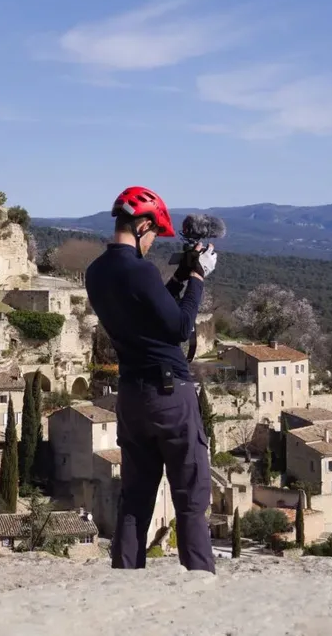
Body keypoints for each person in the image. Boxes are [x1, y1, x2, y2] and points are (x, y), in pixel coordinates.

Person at [84, 186, 218, 573]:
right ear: (142, 225)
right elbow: (179, 326)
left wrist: (178, 278)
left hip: (131, 396)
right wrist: (198, 277)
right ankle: (200, 580)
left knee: (135, 499)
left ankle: (125, 577)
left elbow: (150, 309)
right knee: (190, 496)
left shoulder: (96, 272)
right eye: (154, 233)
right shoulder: (140, 270)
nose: (153, 241)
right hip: (169, 394)